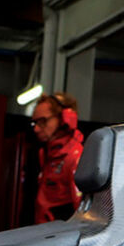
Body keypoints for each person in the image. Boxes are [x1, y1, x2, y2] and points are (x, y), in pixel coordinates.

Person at [31, 92, 85, 223]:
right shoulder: (46, 154)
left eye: (42, 121)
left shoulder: (75, 157)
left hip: (59, 237)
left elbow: (82, 212)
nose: (36, 129)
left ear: (65, 118)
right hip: (44, 232)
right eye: (35, 123)